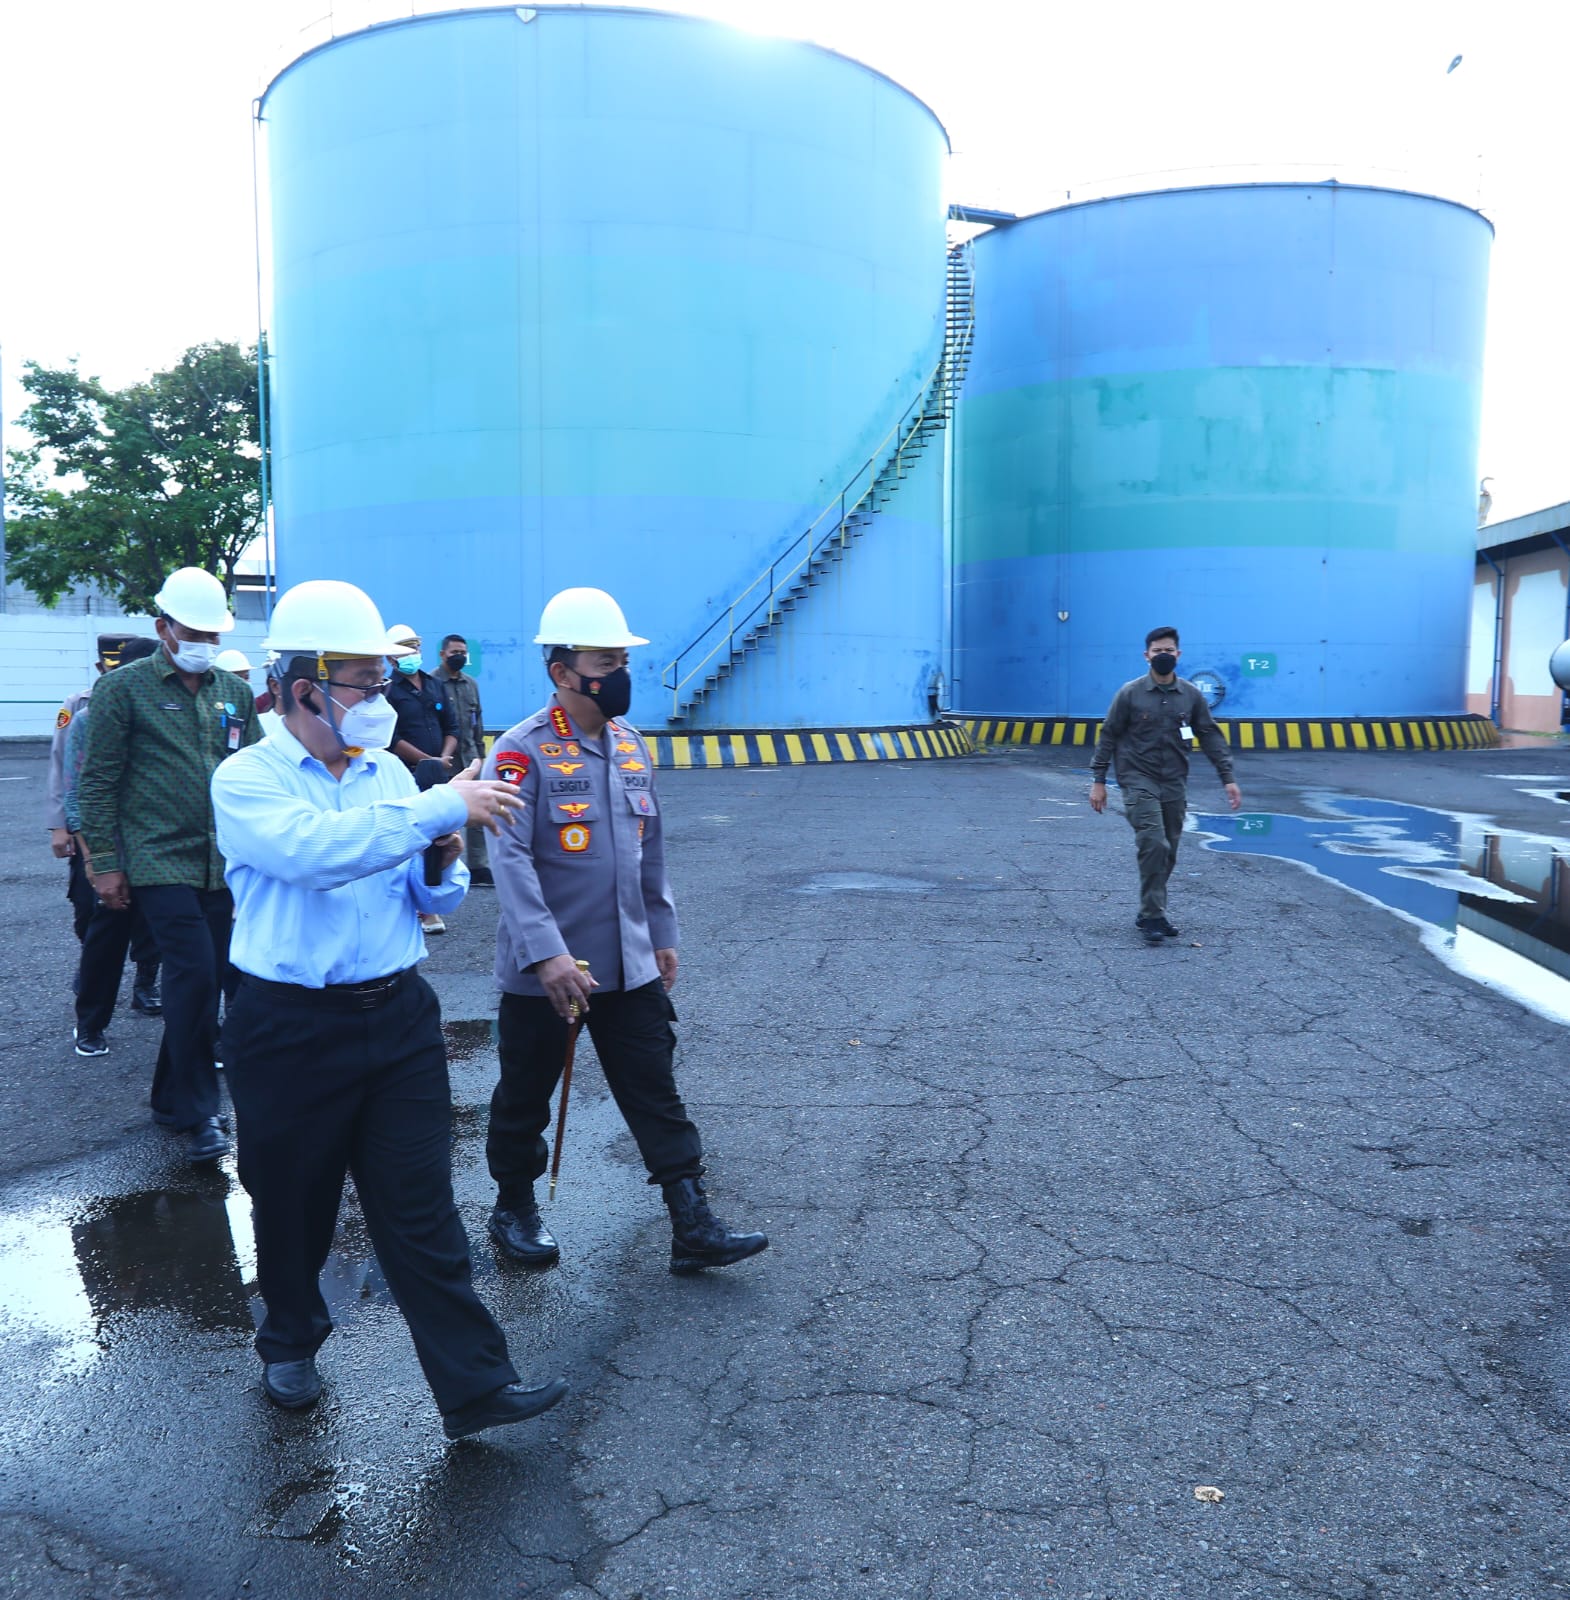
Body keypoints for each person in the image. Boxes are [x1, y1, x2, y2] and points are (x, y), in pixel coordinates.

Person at [211, 579, 567, 1436]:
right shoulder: (247, 778)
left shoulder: (387, 778)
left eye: (381, 680)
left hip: (399, 1017)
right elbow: (314, 855)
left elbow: (424, 891)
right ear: (303, 686)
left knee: (422, 1212)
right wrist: (438, 808)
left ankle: (475, 1387)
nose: (378, 701)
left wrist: (440, 851)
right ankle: (291, 1340)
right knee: (291, 1202)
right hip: (288, 1026)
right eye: (363, 683)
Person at [482, 586, 767, 1275]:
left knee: (653, 1086)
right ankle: (514, 1206)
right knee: (525, 1094)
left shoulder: (632, 746)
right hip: (548, 969)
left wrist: (661, 932)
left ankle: (689, 1219)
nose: (620, 675)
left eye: (622, 660)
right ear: (562, 672)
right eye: (605, 662)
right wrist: (547, 956)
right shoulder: (522, 752)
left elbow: (650, 847)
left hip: (629, 960)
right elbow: (510, 862)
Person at [77, 568, 259, 1163]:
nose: (205, 641)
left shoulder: (232, 693)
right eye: (194, 630)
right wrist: (103, 864)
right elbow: (98, 783)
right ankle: (203, 1111)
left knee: (200, 981)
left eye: (214, 631)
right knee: (196, 976)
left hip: (223, 861)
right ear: (164, 628)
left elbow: (261, 772)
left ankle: (169, 1098)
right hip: (159, 858)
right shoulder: (122, 690)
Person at [1088, 625, 1243, 944]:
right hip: (1137, 779)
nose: (1163, 656)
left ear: (1178, 654)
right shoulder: (1130, 693)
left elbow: (1210, 735)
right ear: (1146, 656)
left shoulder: (1190, 695)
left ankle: (1148, 909)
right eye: (1157, 651)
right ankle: (1153, 915)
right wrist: (1099, 780)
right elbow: (1109, 734)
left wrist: (1227, 778)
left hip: (1174, 782)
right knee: (1154, 843)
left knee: (1168, 851)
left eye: (1168, 651)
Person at [45, 633, 163, 1037]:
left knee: (147, 922)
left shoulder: (163, 709)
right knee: (90, 911)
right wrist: (61, 826)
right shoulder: (79, 709)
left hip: (146, 840)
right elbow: (64, 771)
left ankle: (144, 984)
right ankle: (91, 982)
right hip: (93, 834)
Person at [386, 624, 460, 934]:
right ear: (391, 658)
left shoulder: (434, 684)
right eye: (405, 649)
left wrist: (443, 759)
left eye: (415, 647)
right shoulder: (388, 691)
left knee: (440, 836)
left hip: (439, 772)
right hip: (407, 773)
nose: (412, 654)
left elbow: (452, 727)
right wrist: (428, 761)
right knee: (412, 834)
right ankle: (419, 910)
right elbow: (391, 737)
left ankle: (431, 902)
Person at [433, 633, 491, 886]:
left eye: (462, 653)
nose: (459, 656)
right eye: (454, 652)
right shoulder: (432, 683)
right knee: (444, 814)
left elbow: (477, 721)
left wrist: (481, 753)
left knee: (478, 812)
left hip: (470, 755)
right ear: (442, 654)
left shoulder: (471, 684)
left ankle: (479, 865)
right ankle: (443, 862)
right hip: (443, 758)